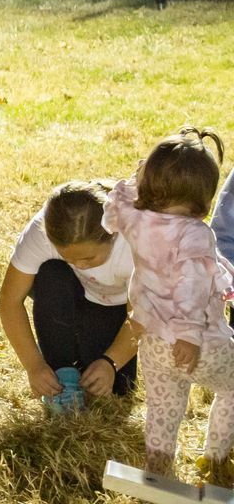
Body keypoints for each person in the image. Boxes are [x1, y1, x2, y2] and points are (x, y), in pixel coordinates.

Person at [102, 128, 234, 478]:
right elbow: (191, 285)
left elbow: (114, 207)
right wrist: (189, 335)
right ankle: (216, 457)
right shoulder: (194, 234)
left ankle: (157, 466)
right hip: (199, 343)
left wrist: (142, 176)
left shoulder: (134, 219)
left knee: (163, 406)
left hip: (154, 341)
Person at [0, 181, 141, 405]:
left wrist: (111, 362)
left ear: (112, 233)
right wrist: (34, 365)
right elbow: (10, 300)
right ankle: (60, 373)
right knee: (52, 272)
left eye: (89, 258)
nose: (79, 265)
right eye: (69, 257)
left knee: (117, 390)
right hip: (70, 295)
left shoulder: (136, 241)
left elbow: (144, 315)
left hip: (119, 307)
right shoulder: (41, 231)